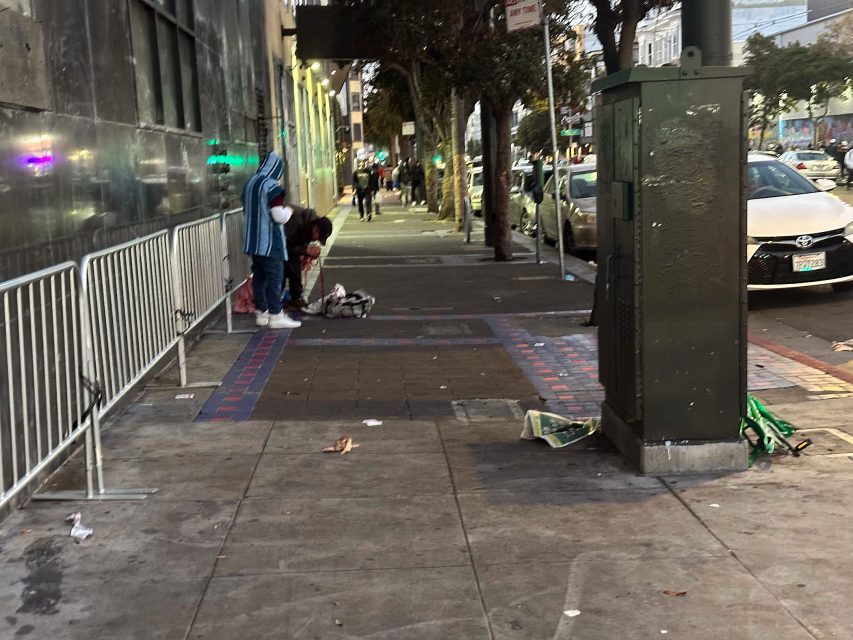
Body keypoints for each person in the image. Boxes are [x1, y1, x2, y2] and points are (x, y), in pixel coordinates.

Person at [241, 151, 301, 329]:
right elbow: (277, 216)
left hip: (253, 241)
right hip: (269, 242)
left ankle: (262, 312)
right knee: (275, 277)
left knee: (259, 277)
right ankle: (276, 314)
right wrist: (289, 211)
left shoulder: (249, 184)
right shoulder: (272, 187)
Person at [283, 208, 333, 309]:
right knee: (283, 270)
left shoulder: (309, 225)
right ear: (316, 229)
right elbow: (285, 247)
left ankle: (295, 298)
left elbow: (298, 244)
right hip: (276, 246)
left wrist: (306, 253)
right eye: (318, 238)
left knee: (295, 264)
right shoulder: (297, 223)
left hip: (288, 245)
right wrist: (306, 251)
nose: (317, 241)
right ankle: (273, 305)